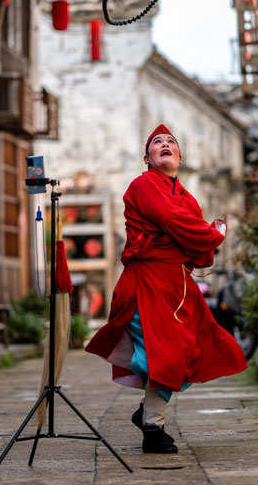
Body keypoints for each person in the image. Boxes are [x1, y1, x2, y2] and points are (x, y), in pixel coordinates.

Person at [85, 124, 248, 454]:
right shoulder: (143, 185)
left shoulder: (186, 196)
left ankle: (149, 414)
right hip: (146, 283)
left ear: (179, 156)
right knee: (165, 352)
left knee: (189, 348)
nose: (164, 144)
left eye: (170, 141)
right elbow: (175, 222)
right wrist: (214, 232)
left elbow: (197, 250)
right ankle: (152, 429)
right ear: (147, 158)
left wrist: (200, 238)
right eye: (157, 142)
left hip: (179, 285)